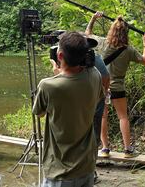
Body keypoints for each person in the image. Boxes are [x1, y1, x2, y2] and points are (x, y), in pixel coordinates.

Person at [33, 32, 104, 187]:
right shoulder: (95, 75)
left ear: (59, 56)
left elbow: (40, 113)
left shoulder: (48, 85)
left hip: (60, 171)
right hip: (87, 166)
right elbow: (96, 96)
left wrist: (57, 76)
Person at [85, 12, 145, 158]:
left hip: (102, 86)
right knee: (123, 117)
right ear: (126, 33)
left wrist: (94, 18)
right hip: (118, 87)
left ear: (112, 31)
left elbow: (87, 34)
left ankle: (105, 149)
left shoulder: (102, 43)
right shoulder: (129, 50)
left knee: (103, 117)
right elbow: (144, 60)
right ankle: (128, 150)